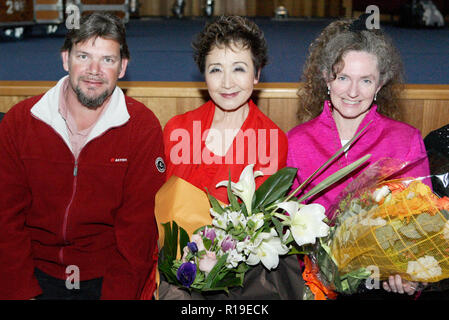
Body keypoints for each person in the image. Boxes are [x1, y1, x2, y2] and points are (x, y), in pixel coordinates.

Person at [0, 12, 165, 300]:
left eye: (108, 60)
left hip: (105, 277)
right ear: (65, 59)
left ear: (123, 67)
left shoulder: (141, 127)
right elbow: (5, 218)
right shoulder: (20, 121)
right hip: (32, 271)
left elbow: (137, 235)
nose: (94, 70)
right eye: (83, 56)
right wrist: (20, 292)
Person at [143, 15, 298, 300]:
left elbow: (258, 230)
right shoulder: (178, 130)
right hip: (180, 270)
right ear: (204, 74)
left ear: (256, 74)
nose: (227, 83)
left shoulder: (272, 139)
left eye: (239, 69)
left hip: (241, 277)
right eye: (216, 69)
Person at [286, 15, 430, 298]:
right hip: (314, 286)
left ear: (379, 85)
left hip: (379, 287)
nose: (353, 92)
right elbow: (286, 228)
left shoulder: (405, 140)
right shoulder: (297, 141)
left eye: (366, 80)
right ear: (327, 78)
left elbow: (421, 224)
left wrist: (408, 273)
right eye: (343, 78)